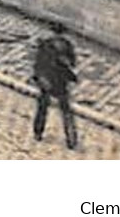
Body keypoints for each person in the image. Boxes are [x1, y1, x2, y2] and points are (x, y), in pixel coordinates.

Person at [32, 21, 79, 149]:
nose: (57, 37)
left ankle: (71, 139)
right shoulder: (45, 46)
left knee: (65, 111)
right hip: (47, 81)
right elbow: (38, 64)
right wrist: (41, 78)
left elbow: (73, 63)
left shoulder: (67, 47)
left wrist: (67, 64)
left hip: (60, 82)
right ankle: (38, 131)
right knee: (42, 108)